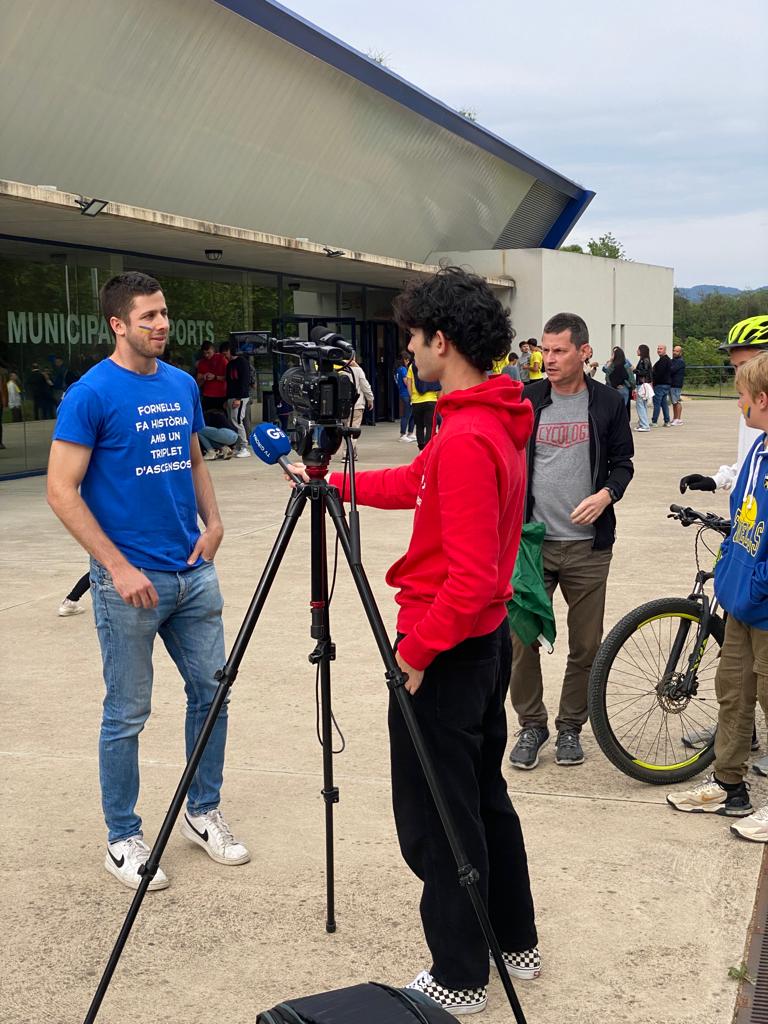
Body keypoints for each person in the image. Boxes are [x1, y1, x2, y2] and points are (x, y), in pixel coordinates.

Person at [287, 267, 540, 1015]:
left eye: (411, 338)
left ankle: (460, 973)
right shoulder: (486, 417)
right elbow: (414, 484)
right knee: (482, 795)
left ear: (442, 340)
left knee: (439, 816)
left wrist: (414, 655)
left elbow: (464, 581)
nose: (407, 352)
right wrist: (331, 485)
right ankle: (514, 939)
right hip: (485, 645)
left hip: (451, 646)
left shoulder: (467, 434)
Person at [47, 271, 250, 890]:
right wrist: (116, 566)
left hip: (193, 573)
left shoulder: (182, 384)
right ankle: (122, 838)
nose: (161, 325)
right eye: (148, 317)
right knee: (128, 712)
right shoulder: (90, 394)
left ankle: (203, 811)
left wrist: (213, 524)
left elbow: (191, 459)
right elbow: (61, 490)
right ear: (118, 324)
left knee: (212, 694)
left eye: (164, 313)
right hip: (129, 583)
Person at [508, 312, 634, 770]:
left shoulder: (606, 403)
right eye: (545, 349)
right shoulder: (528, 399)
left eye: (560, 350)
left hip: (587, 546)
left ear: (584, 352)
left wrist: (606, 495)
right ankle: (531, 725)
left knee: (586, 646)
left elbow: (623, 462)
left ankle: (568, 728)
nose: (549, 358)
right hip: (533, 544)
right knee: (522, 641)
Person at [667, 352, 768, 842]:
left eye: (742, 400)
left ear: (762, 400)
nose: (739, 408)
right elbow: (745, 514)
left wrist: (759, 581)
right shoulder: (759, 451)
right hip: (743, 600)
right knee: (734, 692)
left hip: (764, 604)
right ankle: (729, 785)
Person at [224, 338, 252, 457]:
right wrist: (227, 399)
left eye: (225, 352)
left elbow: (244, 382)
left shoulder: (242, 362)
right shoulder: (230, 364)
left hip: (240, 397)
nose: (224, 355)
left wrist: (239, 398)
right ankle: (238, 445)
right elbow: (229, 383)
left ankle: (244, 446)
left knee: (238, 421)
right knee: (232, 421)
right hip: (231, 397)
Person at [344, 354, 374, 459]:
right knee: (353, 430)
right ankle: (348, 454)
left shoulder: (339, 371)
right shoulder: (358, 371)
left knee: (346, 429)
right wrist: (370, 399)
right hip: (357, 405)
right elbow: (365, 386)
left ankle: (353, 453)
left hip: (343, 407)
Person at [406, 358, 440, 451]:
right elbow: (438, 384)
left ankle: (421, 448)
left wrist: (412, 397)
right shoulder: (433, 364)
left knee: (419, 426)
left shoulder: (412, 366)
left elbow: (409, 384)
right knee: (430, 425)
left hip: (416, 401)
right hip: (431, 400)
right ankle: (428, 448)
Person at [195, 340, 228, 413]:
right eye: (204, 353)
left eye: (208, 353)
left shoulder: (222, 359)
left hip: (221, 395)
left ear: (213, 350)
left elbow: (228, 377)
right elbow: (198, 380)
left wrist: (215, 377)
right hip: (207, 395)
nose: (206, 355)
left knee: (221, 418)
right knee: (207, 417)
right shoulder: (202, 362)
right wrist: (204, 376)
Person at [605, 347, 634, 418]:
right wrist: (633, 387)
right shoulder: (626, 365)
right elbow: (631, 379)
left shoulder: (611, 365)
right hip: (624, 389)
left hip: (612, 389)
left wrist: (613, 385)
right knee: (622, 409)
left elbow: (607, 377)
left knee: (613, 409)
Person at [394, 351, 416, 441]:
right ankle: (403, 434)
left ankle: (410, 432)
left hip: (404, 394)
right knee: (407, 415)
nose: (408, 362)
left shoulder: (397, 370)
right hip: (406, 394)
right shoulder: (403, 369)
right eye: (407, 360)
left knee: (411, 414)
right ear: (404, 360)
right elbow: (406, 382)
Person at [634, 345, 654, 431]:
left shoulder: (644, 360)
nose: (637, 351)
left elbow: (644, 372)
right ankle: (643, 423)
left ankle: (644, 425)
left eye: (638, 349)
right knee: (643, 404)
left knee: (640, 404)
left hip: (642, 384)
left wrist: (634, 370)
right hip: (644, 384)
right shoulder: (646, 360)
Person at [651, 344, 672, 426]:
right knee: (664, 404)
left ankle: (654, 421)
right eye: (658, 349)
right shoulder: (667, 360)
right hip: (666, 385)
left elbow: (659, 373)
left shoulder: (663, 361)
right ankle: (667, 421)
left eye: (661, 349)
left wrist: (653, 380)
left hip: (660, 385)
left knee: (657, 404)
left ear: (665, 350)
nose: (659, 350)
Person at [670, 344, 686, 425]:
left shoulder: (680, 362)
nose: (674, 352)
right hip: (672, 384)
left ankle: (678, 419)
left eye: (677, 351)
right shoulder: (673, 360)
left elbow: (672, 370)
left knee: (677, 401)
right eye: (674, 350)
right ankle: (674, 418)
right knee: (673, 402)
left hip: (677, 384)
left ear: (680, 352)